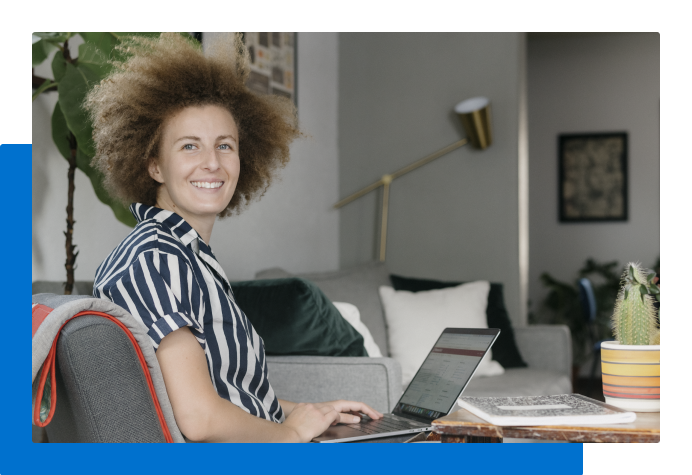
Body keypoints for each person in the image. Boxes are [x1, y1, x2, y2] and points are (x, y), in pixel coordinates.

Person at [85, 33, 382, 443]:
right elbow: (199, 418)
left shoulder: (187, 255)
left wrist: (307, 413)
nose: (212, 163)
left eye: (225, 146)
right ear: (154, 165)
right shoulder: (154, 259)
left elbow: (227, 395)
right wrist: (292, 437)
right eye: (190, 146)